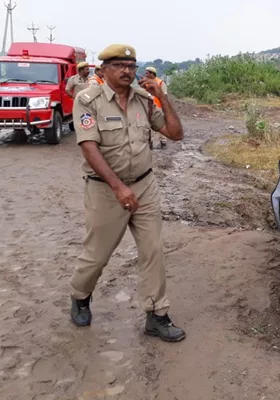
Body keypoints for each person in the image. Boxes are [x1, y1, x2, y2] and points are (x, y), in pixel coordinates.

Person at [69, 44, 186, 342]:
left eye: (131, 66)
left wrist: (163, 98)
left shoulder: (144, 100)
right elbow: (88, 146)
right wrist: (118, 187)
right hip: (105, 190)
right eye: (119, 65)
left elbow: (175, 134)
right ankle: (80, 295)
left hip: (145, 185)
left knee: (153, 250)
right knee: (97, 255)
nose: (127, 71)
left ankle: (157, 315)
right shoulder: (87, 100)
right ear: (104, 70)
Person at [144, 66, 168, 149]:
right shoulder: (145, 82)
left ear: (152, 73)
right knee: (148, 125)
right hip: (148, 106)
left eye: (147, 72)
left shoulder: (160, 82)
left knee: (160, 124)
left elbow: (164, 95)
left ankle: (163, 142)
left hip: (158, 107)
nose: (145, 74)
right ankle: (150, 142)